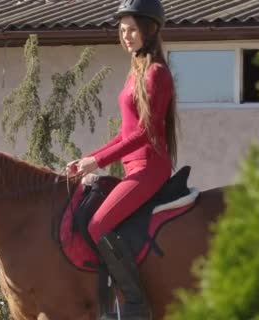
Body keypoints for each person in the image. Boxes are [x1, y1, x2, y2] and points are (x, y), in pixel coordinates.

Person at [67, 0, 178, 318]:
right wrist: (90, 158)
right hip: (133, 165)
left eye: (132, 29)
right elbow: (124, 135)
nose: (125, 36)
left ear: (150, 30)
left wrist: (98, 163)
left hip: (150, 167)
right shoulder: (135, 73)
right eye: (122, 30)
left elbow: (144, 133)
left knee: (98, 223)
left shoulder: (157, 74)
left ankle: (134, 303)